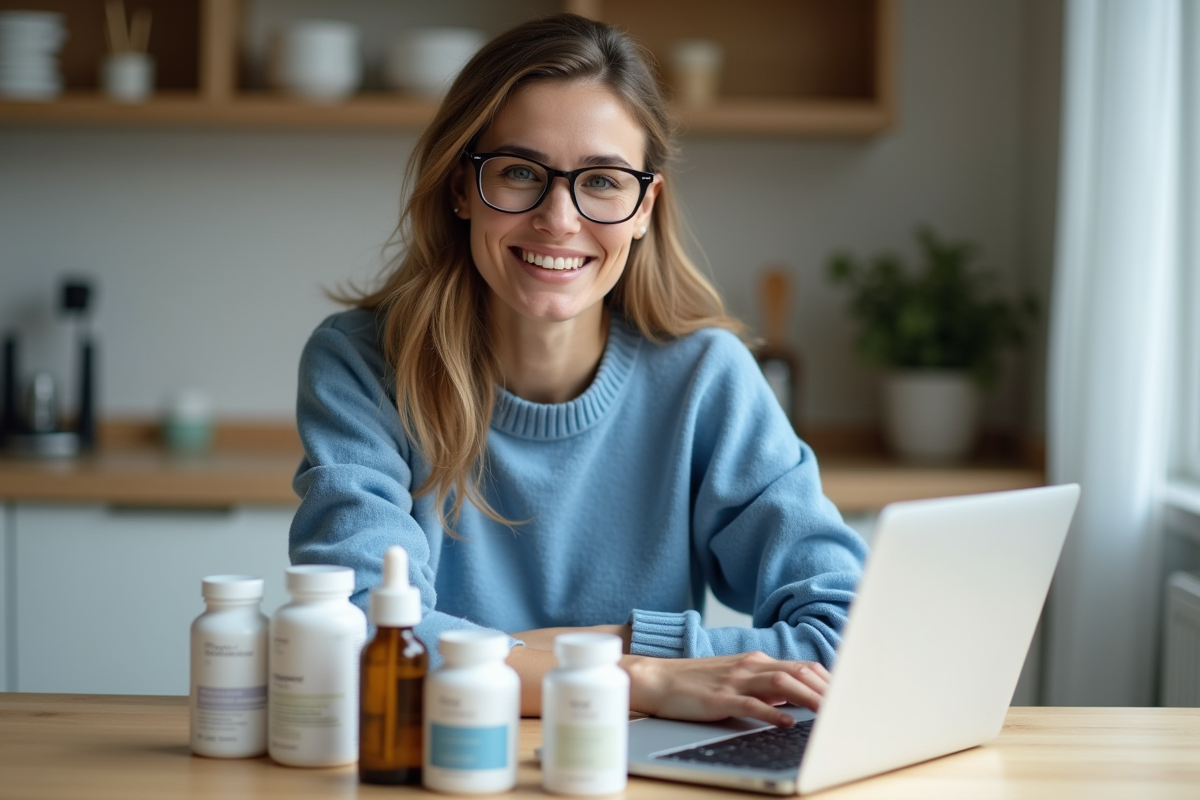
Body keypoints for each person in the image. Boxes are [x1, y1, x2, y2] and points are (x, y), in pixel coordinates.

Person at [289, 13, 867, 729]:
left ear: (643, 207)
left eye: (601, 181)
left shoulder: (707, 379)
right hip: (444, 759)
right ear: (462, 188)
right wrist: (643, 676)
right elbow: (355, 638)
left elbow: (847, 636)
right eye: (522, 173)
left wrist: (550, 654)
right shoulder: (364, 366)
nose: (559, 219)